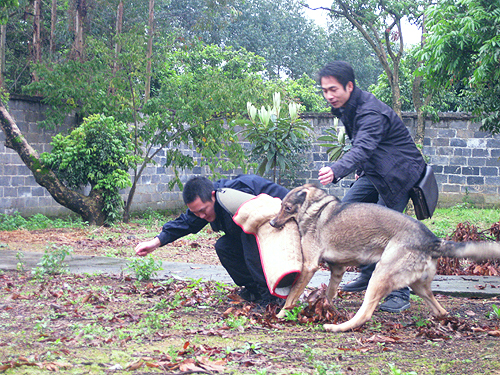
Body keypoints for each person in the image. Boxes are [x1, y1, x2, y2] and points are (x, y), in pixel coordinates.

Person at [317, 61, 426, 313]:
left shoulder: (369, 111)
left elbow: (363, 146)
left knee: (387, 231)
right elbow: (367, 147)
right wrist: (359, 170)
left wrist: (336, 170)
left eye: (333, 89)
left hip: (398, 174)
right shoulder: (348, 107)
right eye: (324, 90)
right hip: (375, 171)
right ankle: (368, 274)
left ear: (349, 86)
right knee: (345, 214)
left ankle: (399, 292)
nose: (329, 96)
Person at [134, 174, 289, 306]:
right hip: (261, 239)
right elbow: (186, 222)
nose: (201, 216)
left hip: (285, 234)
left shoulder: (237, 194)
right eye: (196, 212)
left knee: (248, 239)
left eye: (203, 210)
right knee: (224, 246)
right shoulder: (208, 204)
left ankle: (272, 299)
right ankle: (255, 291)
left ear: (213, 196)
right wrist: (155, 243)